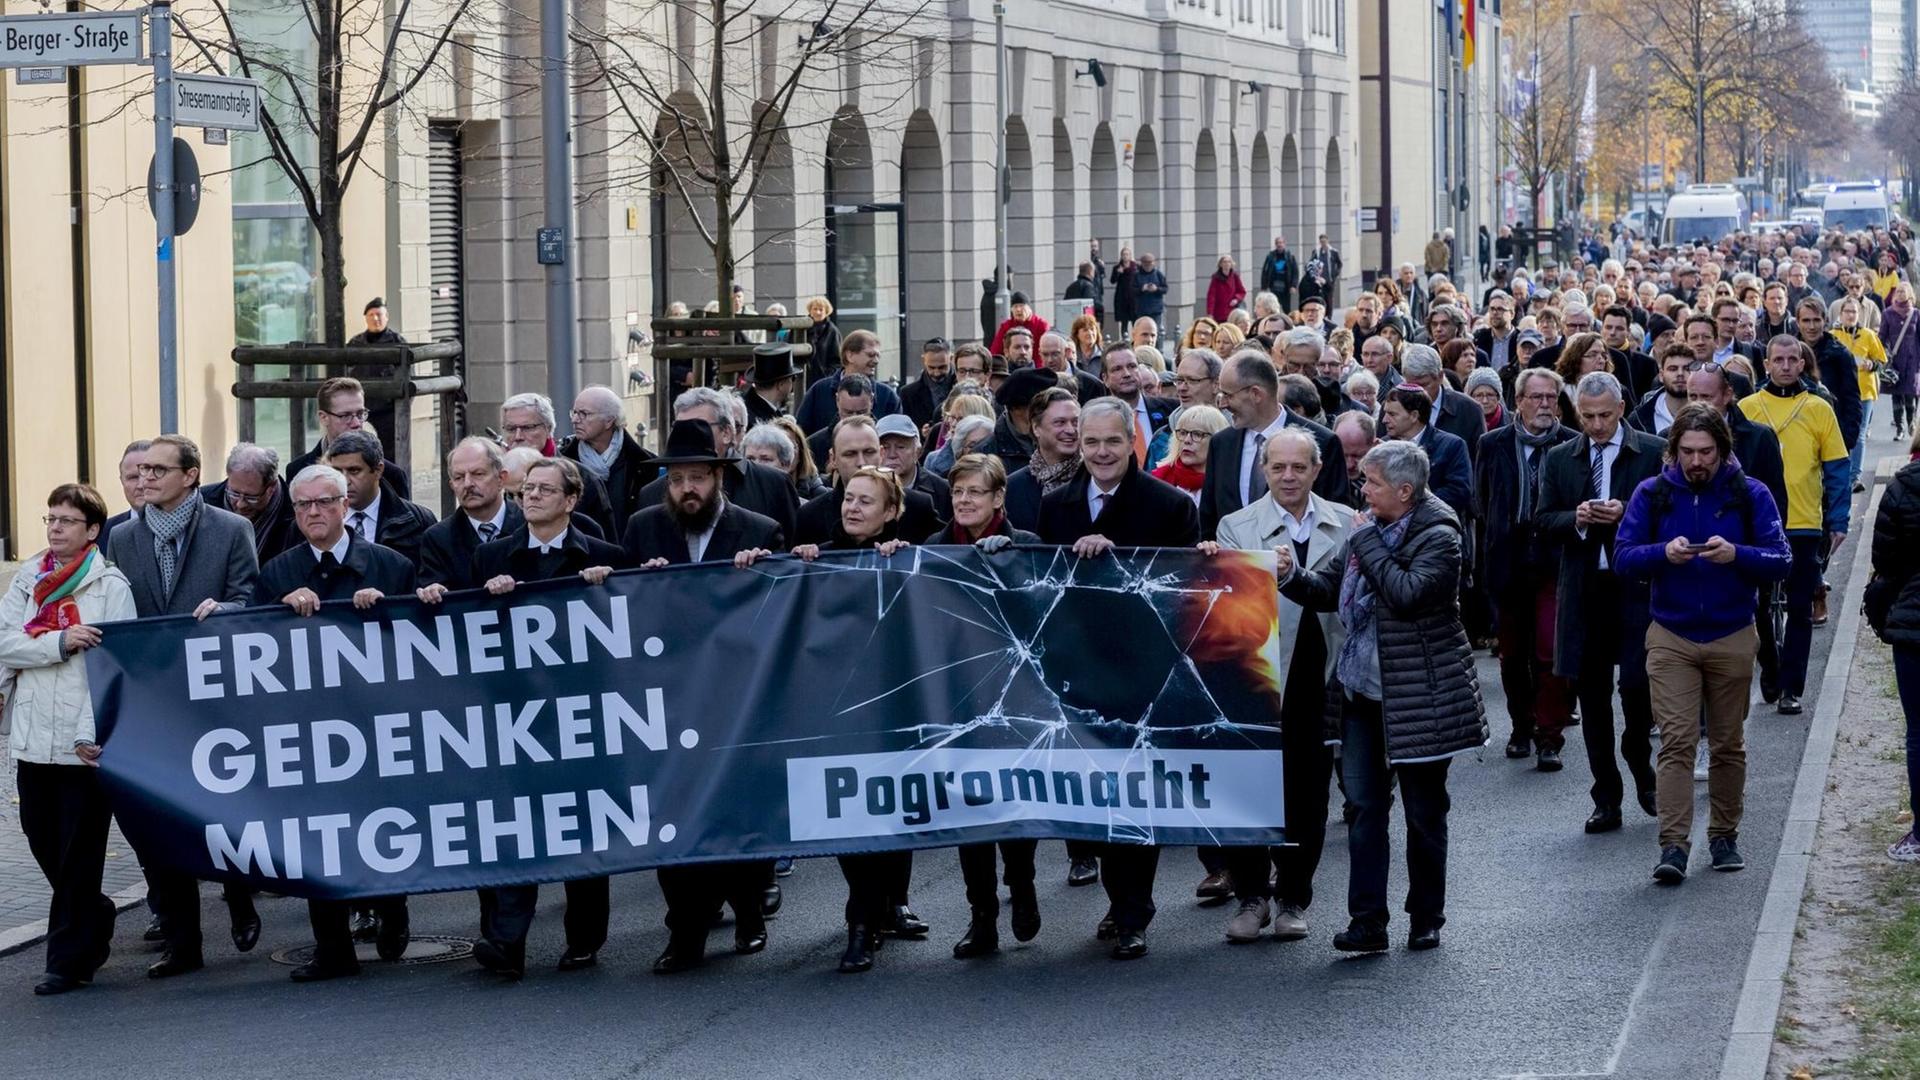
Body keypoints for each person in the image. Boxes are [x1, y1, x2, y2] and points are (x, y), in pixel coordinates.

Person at [1278, 440, 1486, 951]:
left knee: (1423, 813)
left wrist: (1367, 541)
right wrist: (1289, 576)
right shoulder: (1367, 529)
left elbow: (1407, 593)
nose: (1362, 490)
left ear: (1404, 490)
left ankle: (1426, 916)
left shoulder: (1440, 534)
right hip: (1359, 693)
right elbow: (1326, 588)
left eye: (1371, 483)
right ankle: (1368, 921)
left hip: (1421, 696)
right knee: (1363, 810)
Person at [1037, 398, 1202, 959]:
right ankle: (1118, 898)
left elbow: (1183, 589)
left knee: (1135, 791)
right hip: (1076, 668)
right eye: (1091, 443)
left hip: (1142, 670)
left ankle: (1135, 909)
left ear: (1132, 442)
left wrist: (1116, 561)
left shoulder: (1169, 504)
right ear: (1077, 444)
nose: (1102, 453)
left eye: (1113, 442)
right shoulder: (1055, 504)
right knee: (1090, 796)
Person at [103, 434, 261, 979]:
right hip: (153, 701)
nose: (144, 479)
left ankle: (240, 892)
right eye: (140, 471)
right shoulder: (121, 538)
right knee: (161, 820)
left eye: (156, 470)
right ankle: (182, 942)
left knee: (224, 811)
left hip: (217, 698)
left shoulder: (231, 528)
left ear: (191, 475)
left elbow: (251, 599)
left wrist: (228, 609)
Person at [1615, 406, 1792, 883]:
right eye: (1688, 452)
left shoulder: (1749, 494)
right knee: (1675, 742)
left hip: (1732, 632)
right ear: (1673, 451)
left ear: (1723, 450)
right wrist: (1662, 554)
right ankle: (1673, 846)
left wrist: (1738, 555)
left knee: (1728, 742)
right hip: (1670, 635)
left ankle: (1723, 835)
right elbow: (1623, 557)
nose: (1697, 461)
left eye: (1706, 452)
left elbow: (1781, 558)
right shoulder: (1652, 494)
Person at [256, 464, 419, 979]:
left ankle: (392, 908)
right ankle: (332, 949)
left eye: (324, 502)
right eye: (303, 505)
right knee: (318, 833)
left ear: (345, 505)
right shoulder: (279, 572)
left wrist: (383, 611)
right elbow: (255, 652)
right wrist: (279, 610)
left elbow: (420, 642)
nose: (313, 514)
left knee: (383, 823)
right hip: (309, 728)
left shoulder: (391, 566)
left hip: (378, 721)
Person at [1205, 429, 1349, 946]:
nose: (1288, 477)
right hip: (1256, 676)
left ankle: (1293, 896)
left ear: (1317, 470)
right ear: (1264, 471)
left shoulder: (1348, 523)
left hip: (1322, 673)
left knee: (1308, 793)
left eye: (1299, 468)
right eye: (1277, 468)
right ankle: (1251, 896)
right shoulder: (1236, 525)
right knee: (1248, 788)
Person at [791, 467, 928, 972]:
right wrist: (794, 564)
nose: (852, 509)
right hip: (835, 708)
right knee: (852, 814)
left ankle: (882, 910)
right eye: (849, 499)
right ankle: (863, 920)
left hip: (897, 708)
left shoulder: (913, 554)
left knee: (892, 813)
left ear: (891, 511)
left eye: (866, 502)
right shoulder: (816, 556)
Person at [3, 483, 136, 995]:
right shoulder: (28, 579)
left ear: (93, 531)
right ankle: (96, 912)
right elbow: (4, 643)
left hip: (82, 743)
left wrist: (90, 731)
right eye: (50, 518)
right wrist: (58, 641)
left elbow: (112, 663)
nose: (55, 528)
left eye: (66, 520)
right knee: (42, 840)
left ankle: (68, 961)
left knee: (79, 853)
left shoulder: (109, 586)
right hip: (34, 735)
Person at [923, 453, 1046, 958]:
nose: (965, 501)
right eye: (958, 493)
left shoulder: (1030, 545)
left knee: (1013, 802)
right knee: (969, 811)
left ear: (999, 498)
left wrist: (1007, 559)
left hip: (1015, 697)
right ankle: (982, 917)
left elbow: (1041, 614)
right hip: (955, 697)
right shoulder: (932, 547)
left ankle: (1022, 885)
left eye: (975, 492)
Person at [1539, 372, 1664, 825]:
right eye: (1587, 416)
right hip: (1584, 588)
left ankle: (1639, 764)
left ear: (1622, 409)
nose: (1596, 425)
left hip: (1635, 589)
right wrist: (1577, 518)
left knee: (1636, 688)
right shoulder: (1561, 458)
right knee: (1591, 697)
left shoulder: (1650, 450)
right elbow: (1541, 519)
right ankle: (1605, 796)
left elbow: (1668, 516)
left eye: (1605, 416)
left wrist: (1627, 512)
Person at [1739, 336, 1851, 714]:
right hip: (1757, 524)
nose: (1785, 366)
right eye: (1778, 360)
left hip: (1804, 522)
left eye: (1792, 359)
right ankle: (1770, 666)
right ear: (1766, 364)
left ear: (1802, 364)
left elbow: (1837, 468)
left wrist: (1839, 519)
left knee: (1800, 607)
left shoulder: (1819, 407)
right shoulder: (1747, 407)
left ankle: (1791, 687)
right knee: (1759, 606)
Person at [1476, 369, 1577, 760]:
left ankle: (1549, 735)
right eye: (1536, 397)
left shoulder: (1571, 444)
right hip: (1510, 559)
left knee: (1550, 651)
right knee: (1513, 654)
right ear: (1518, 401)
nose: (1544, 405)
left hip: (1555, 559)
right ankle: (1521, 726)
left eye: (1551, 397)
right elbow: (1484, 502)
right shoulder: (1493, 444)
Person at [1200, 350, 1351, 537]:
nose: (1222, 404)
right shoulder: (1221, 444)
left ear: (1256, 394)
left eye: (1228, 395)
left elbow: (1336, 521)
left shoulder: (1323, 442)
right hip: (1233, 562)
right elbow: (1208, 519)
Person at [634, 387, 802, 539]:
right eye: (681, 428)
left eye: (701, 426)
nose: (689, 435)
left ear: (727, 433)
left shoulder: (773, 484)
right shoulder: (652, 494)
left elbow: (791, 557)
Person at [1870, 453, 1920, 860]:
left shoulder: (1904, 486)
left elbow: (1885, 562)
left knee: (1919, 731)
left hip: (1915, 623)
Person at [795, 414, 942, 544]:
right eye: (850, 454)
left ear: (881, 453)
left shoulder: (918, 507)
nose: (861, 462)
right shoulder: (810, 517)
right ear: (833, 459)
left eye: (869, 452)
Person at [500, 392, 620, 535]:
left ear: (549, 428)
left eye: (528, 427)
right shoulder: (493, 476)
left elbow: (603, 544)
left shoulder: (583, 478)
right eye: (511, 429)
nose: (518, 436)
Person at [285, 376, 413, 498]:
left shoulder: (392, 475)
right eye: (345, 416)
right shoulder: (297, 470)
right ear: (324, 418)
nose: (357, 423)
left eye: (360, 413)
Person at [326, 429, 438, 568]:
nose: (344, 481)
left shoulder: (418, 521)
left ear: (378, 470)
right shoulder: (314, 520)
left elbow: (430, 577)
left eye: (354, 471)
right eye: (336, 472)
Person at [560, 384, 659, 527]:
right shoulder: (562, 462)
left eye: (584, 414)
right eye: (574, 412)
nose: (575, 419)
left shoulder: (645, 464)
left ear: (609, 421)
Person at [1381, 385, 1472, 530]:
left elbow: (1459, 492)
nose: (1384, 420)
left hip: (1434, 530)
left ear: (1414, 416)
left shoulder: (1451, 446)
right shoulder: (1384, 446)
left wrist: (1411, 505)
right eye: (1385, 413)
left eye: (1392, 414)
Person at [200, 442, 298, 564]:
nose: (240, 504)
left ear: (271, 488)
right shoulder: (203, 503)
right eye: (234, 493)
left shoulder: (297, 513)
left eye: (251, 497)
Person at [795, 330, 904, 434]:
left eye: (878, 356)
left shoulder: (887, 396)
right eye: (870, 355)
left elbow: (897, 435)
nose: (876, 361)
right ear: (850, 355)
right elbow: (801, 433)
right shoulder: (819, 391)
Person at [1003, 388, 1081, 531]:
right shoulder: (1012, 488)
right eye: (1060, 422)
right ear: (1036, 428)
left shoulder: (1096, 479)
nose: (1070, 430)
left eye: (1075, 422)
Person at [1833, 297, 1887, 490]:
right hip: (1840, 392)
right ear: (1840, 314)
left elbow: (1882, 360)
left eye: (1854, 312)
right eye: (1847, 311)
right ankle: (1840, 473)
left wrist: (1871, 365)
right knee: (1839, 433)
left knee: (1860, 434)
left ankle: (1855, 477)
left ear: (1859, 315)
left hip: (1865, 392)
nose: (1850, 315)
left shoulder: (1868, 335)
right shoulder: (1832, 335)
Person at [1399, 343, 1484, 461]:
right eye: (1411, 386)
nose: (1418, 392)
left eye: (1424, 385)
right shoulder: (1392, 408)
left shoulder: (1469, 410)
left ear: (1440, 377)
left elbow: (1479, 462)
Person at [345, 296, 408, 450]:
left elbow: (407, 377)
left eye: (379, 315)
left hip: (388, 410)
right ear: (366, 318)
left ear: (386, 317)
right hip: (360, 408)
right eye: (371, 315)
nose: (375, 319)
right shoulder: (355, 343)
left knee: (389, 450)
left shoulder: (397, 342)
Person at [1100, 347, 1176, 466]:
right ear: (1105, 379)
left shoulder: (1171, 410)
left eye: (1131, 366)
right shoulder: (1097, 419)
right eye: (1117, 369)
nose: (1126, 374)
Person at [876, 413, 952, 520]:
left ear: (918, 452)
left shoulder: (943, 492)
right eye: (885, 447)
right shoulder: (861, 490)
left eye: (900, 447)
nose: (892, 455)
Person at [1151, 405, 1228, 500]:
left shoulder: (1229, 482)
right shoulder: (1159, 480)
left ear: (1217, 439)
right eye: (1183, 433)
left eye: (1197, 434)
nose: (1187, 440)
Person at [1630, 346, 1696, 436]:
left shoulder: (1710, 415)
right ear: (1661, 375)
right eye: (1673, 369)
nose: (1680, 373)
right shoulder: (1639, 419)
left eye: (1687, 369)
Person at [1882, 283, 1920, 439]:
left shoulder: (1916, 314)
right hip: (1895, 360)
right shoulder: (1888, 313)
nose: (1900, 294)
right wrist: (1883, 355)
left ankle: (1912, 422)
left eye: (1903, 291)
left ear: (1910, 294)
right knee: (1896, 395)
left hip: (1913, 360)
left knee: (1911, 393)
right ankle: (1899, 427)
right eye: (1898, 291)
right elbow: (1881, 338)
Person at [99, 439, 150, 550]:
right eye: (133, 477)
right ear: (122, 480)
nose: (140, 485)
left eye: (146, 475)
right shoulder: (104, 532)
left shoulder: (184, 527)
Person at [900, 337, 956, 433]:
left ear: (951, 359)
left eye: (942, 367)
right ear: (924, 361)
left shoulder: (963, 389)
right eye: (931, 367)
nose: (936, 373)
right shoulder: (908, 393)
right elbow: (905, 429)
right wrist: (921, 432)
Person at [746, 342, 803, 428]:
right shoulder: (759, 424)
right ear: (781, 384)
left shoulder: (750, 407)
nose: (792, 384)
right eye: (792, 378)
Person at [990, 291, 1051, 355]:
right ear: (1011, 310)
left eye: (1021, 306)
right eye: (1015, 306)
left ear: (1029, 308)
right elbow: (995, 351)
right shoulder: (1006, 326)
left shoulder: (1041, 325)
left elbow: (1047, 350)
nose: (1018, 309)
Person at [803, 296, 842, 383]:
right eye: (815, 309)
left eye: (821, 310)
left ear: (826, 312)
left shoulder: (832, 331)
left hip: (823, 380)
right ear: (810, 311)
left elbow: (837, 360)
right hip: (802, 379)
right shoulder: (802, 328)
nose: (818, 312)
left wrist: (827, 377)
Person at [1262, 236, 1299, 313]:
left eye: (1281, 243)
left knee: (1286, 308)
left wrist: (1293, 285)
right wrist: (1264, 286)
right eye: (1278, 243)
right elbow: (1265, 271)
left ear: (1284, 244)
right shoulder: (1270, 256)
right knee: (1273, 307)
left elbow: (1295, 272)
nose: (1279, 245)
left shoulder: (1290, 256)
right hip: (1274, 287)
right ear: (1275, 245)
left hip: (1286, 287)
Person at [1206, 255, 1248, 322]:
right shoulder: (1215, 278)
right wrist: (1210, 313)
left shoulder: (1235, 276)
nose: (1226, 264)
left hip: (1232, 312)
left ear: (1231, 264)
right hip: (1219, 312)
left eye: (1229, 262)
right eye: (1224, 262)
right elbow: (1211, 296)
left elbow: (1242, 291)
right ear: (1220, 264)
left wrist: (1236, 299)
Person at [1134, 253, 1168, 331]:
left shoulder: (1158, 274)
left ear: (1154, 263)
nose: (1148, 265)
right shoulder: (1136, 275)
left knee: (1156, 331)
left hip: (1156, 309)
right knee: (1142, 330)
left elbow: (1165, 288)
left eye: (1150, 262)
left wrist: (1156, 289)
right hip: (1142, 309)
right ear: (1142, 263)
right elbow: (1132, 290)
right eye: (1145, 263)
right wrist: (1142, 289)